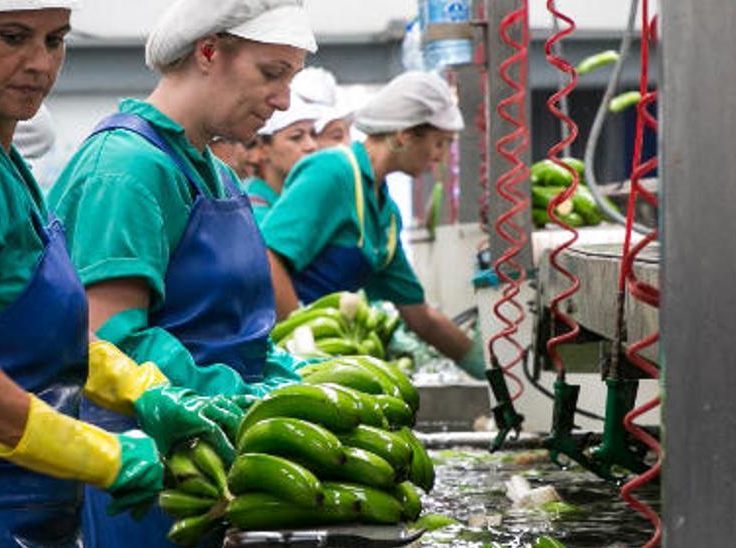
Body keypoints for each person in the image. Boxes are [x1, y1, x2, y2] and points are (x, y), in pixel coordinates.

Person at [0, 2, 242, 545]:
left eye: (55, 40)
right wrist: (100, 453)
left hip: (14, 508)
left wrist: (140, 388)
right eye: (13, 37)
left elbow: (27, 335)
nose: (40, 62)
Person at [47, 0, 316, 544]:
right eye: (271, 73)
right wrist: (233, 395)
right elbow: (107, 340)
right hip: (153, 477)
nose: (283, 100)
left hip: (221, 460)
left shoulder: (216, 173)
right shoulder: (126, 170)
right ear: (210, 52)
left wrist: (284, 378)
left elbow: (230, 330)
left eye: (291, 78)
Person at [260, 70, 486, 378]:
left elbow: (421, 317)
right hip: (277, 357)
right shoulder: (333, 170)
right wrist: (298, 342)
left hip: (320, 359)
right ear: (404, 135)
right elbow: (267, 257)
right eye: (439, 143)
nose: (440, 157)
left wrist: (489, 368)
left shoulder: (386, 216)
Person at [245, 66, 352, 224]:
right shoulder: (248, 207)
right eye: (296, 137)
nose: (311, 146)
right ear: (263, 148)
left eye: (313, 135)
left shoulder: (301, 197)